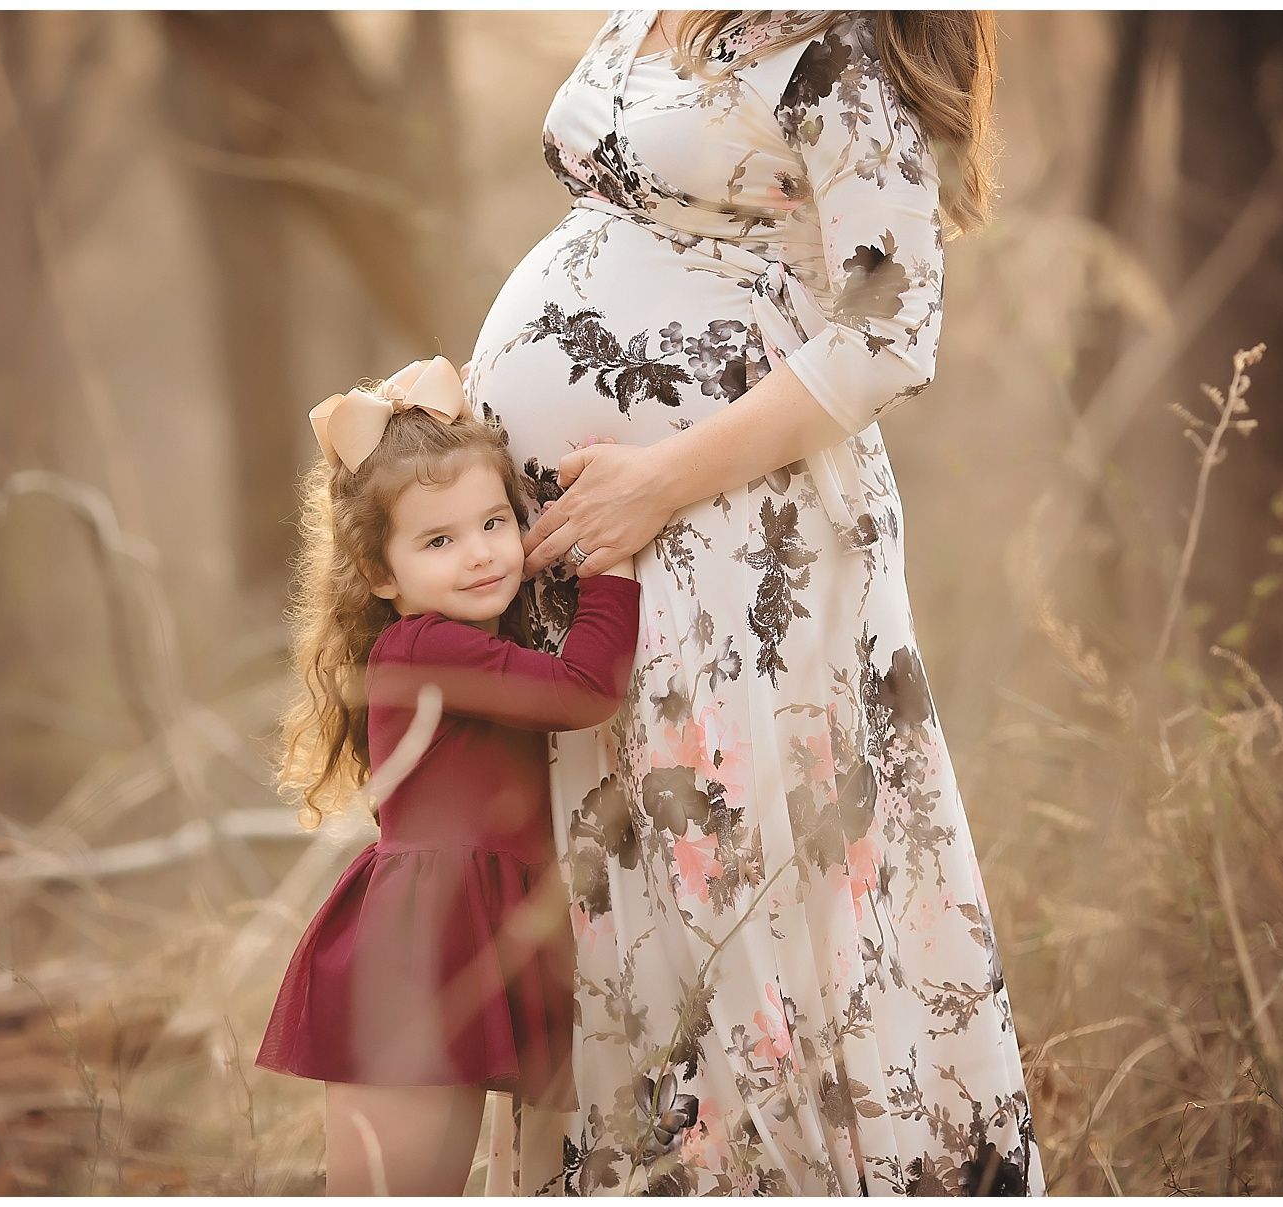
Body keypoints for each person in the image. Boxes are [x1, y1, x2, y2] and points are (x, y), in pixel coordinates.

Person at [461, 9, 1046, 1195]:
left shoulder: (835, 41)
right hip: (589, 558)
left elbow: (890, 325)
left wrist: (658, 481)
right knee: (611, 906)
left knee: (731, 900)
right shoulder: (648, 9)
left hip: (733, 549)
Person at [256, 355, 641, 1196]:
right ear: (380, 575)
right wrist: (611, 561)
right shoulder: (425, 646)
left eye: (493, 523)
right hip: (418, 950)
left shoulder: (468, 643)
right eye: (439, 540)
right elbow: (586, 691)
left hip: (457, 931)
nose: (478, 555)